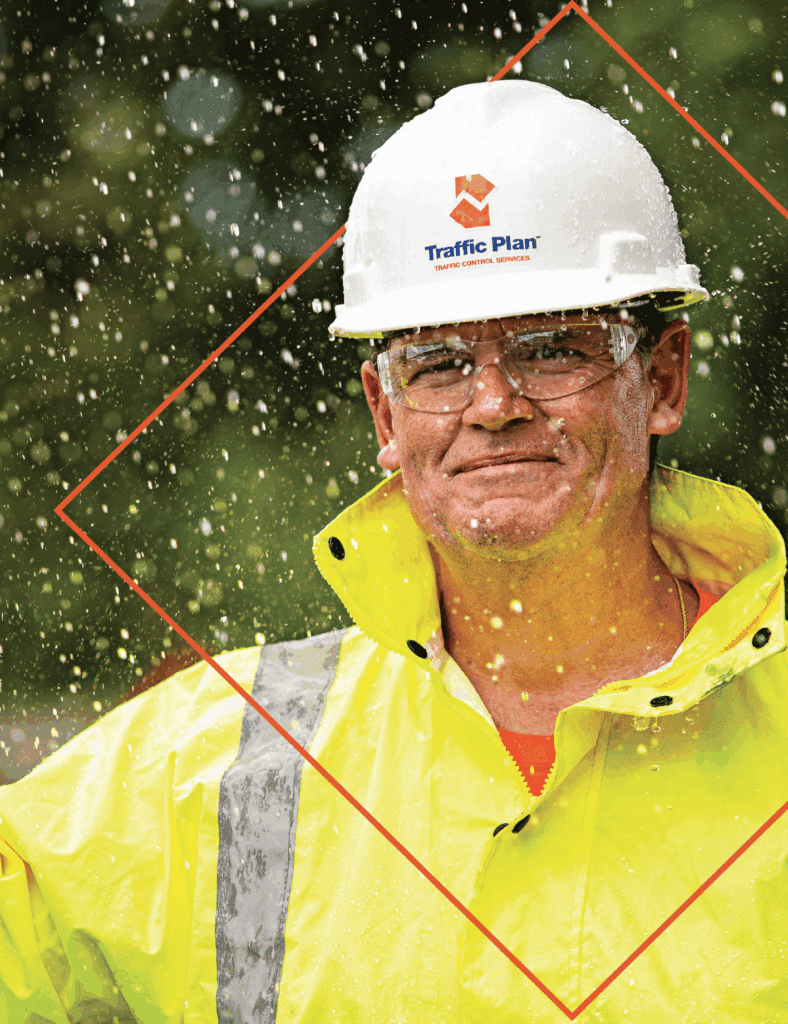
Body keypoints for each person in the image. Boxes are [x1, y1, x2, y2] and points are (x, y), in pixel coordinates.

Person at [1, 80, 786, 1024]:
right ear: (385, 412)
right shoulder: (214, 763)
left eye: (551, 349)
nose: (494, 404)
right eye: (441, 365)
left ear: (662, 379)